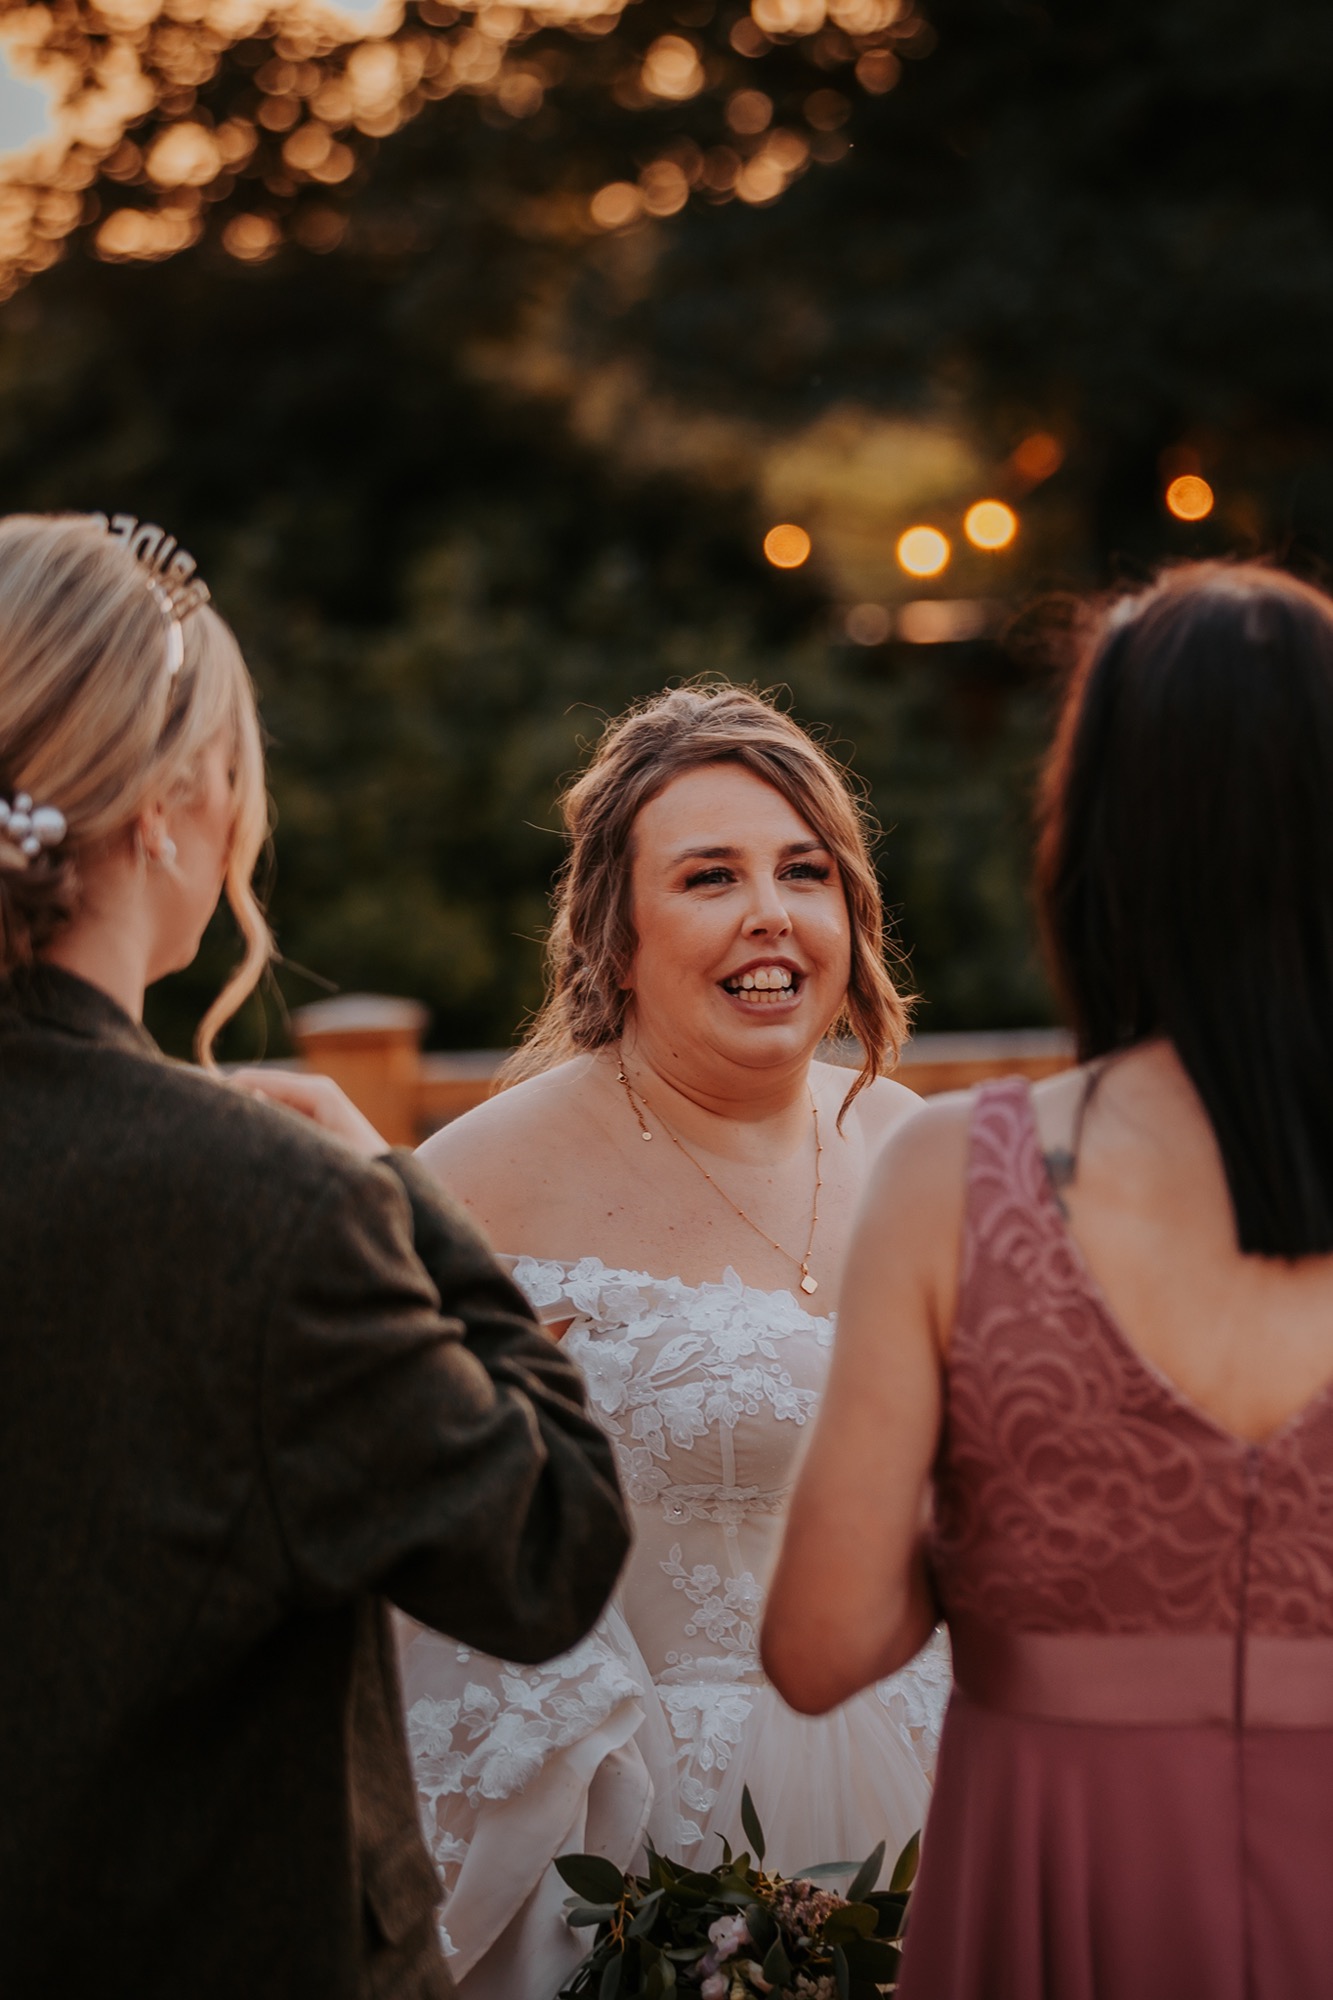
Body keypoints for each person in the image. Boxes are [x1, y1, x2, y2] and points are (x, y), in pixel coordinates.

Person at [0, 512, 629, 2000]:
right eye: (233, 771)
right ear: (169, 807)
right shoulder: (273, 1210)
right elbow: (546, 1550)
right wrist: (400, 1197)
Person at [763, 560, 1333, 2000]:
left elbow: (820, 1643)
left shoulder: (957, 1173)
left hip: (1063, 1875)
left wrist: (1008, 1529)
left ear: (1098, 837)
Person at [402, 683, 951, 2000]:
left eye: (804, 872)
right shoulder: (477, 1182)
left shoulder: (923, 1151)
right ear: (616, 935)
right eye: (710, 876)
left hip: (942, 1797)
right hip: (646, 1841)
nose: (770, 912)